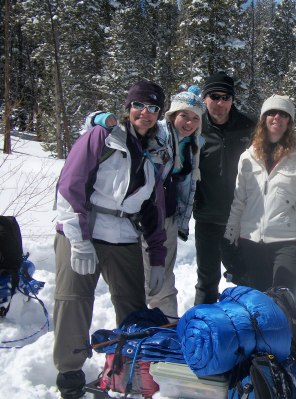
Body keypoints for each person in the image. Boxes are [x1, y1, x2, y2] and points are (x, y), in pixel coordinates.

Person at [53, 80, 167, 399]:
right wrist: (78, 239)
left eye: (153, 107)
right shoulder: (101, 137)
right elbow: (70, 185)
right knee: (74, 301)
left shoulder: (155, 153)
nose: (145, 113)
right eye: (139, 105)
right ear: (128, 108)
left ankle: (125, 369)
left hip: (123, 235)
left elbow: (154, 211)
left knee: (132, 306)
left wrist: (157, 260)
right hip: (83, 230)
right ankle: (71, 377)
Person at [86, 86, 206, 320]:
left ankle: (162, 328)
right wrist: (97, 118)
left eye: (194, 118)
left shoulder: (192, 144)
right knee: (143, 279)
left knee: (161, 276)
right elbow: (115, 131)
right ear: (171, 115)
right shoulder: (156, 132)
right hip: (141, 217)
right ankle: (150, 329)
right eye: (183, 115)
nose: (188, 122)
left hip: (167, 218)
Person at [224, 95, 296, 294]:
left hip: (288, 242)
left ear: (289, 121)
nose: (277, 117)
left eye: (283, 114)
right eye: (271, 113)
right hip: (251, 241)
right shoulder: (247, 157)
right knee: (257, 303)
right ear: (263, 118)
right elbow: (239, 201)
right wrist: (229, 237)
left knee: (284, 302)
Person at [193, 71, 255, 305]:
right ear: (205, 98)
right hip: (208, 217)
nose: (220, 103)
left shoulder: (248, 126)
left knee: (245, 276)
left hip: (242, 218)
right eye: (214, 96)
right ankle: (203, 328)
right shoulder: (196, 125)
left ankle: (249, 327)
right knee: (207, 280)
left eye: (226, 97)